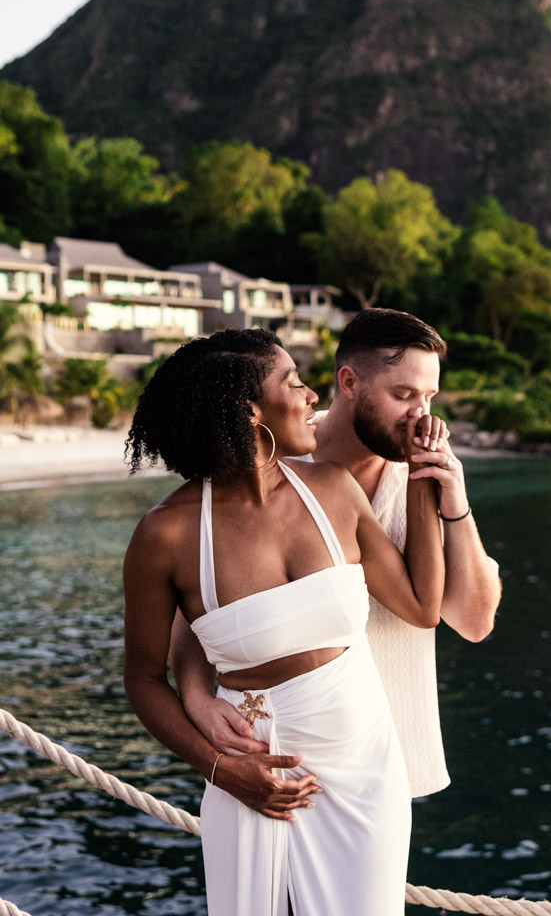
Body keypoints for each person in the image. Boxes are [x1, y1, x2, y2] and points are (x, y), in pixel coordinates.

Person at [122, 327, 448, 916]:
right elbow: (143, 679)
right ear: (252, 410)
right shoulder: (165, 535)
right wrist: (221, 770)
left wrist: (424, 472)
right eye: (294, 383)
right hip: (251, 767)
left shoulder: (333, 489)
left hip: (364, 767)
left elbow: (423, 605)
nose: (311, 397)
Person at [171, 308, 501, 808]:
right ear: (348, 382)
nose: (422, 415)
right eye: (404, 395)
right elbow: (196, 616)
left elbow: (473, 622)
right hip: (274, 759)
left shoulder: (425, 479)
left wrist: (455, 505)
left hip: (388, 763)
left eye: (430, 397)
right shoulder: (263, 465)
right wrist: (197, 702)